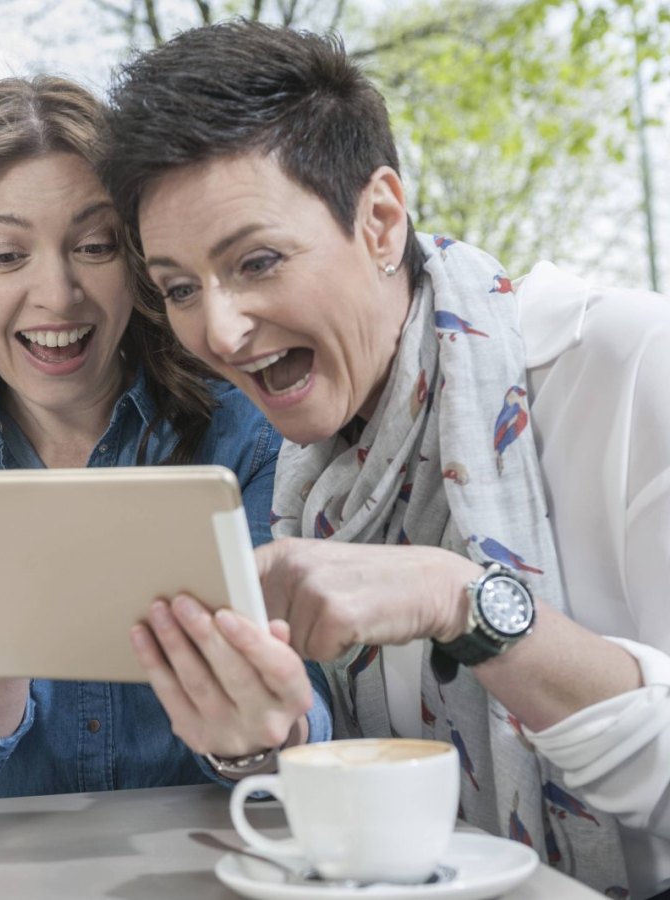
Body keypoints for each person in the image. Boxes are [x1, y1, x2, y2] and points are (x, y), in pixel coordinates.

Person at [101, 21, 670, 899]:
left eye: (256, 261)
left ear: (380, 222)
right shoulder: (307, 475)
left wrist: (461, 599)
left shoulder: (629, 365)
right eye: (179, 288)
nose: (217, 330)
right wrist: (265, 740)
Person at [0, 75, 331, 804]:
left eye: (95, 245)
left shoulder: (246, 427)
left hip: (212, 859)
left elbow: (313, 734)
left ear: (139, 260)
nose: (57, 294)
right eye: (6, 255)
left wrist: (257, 733)